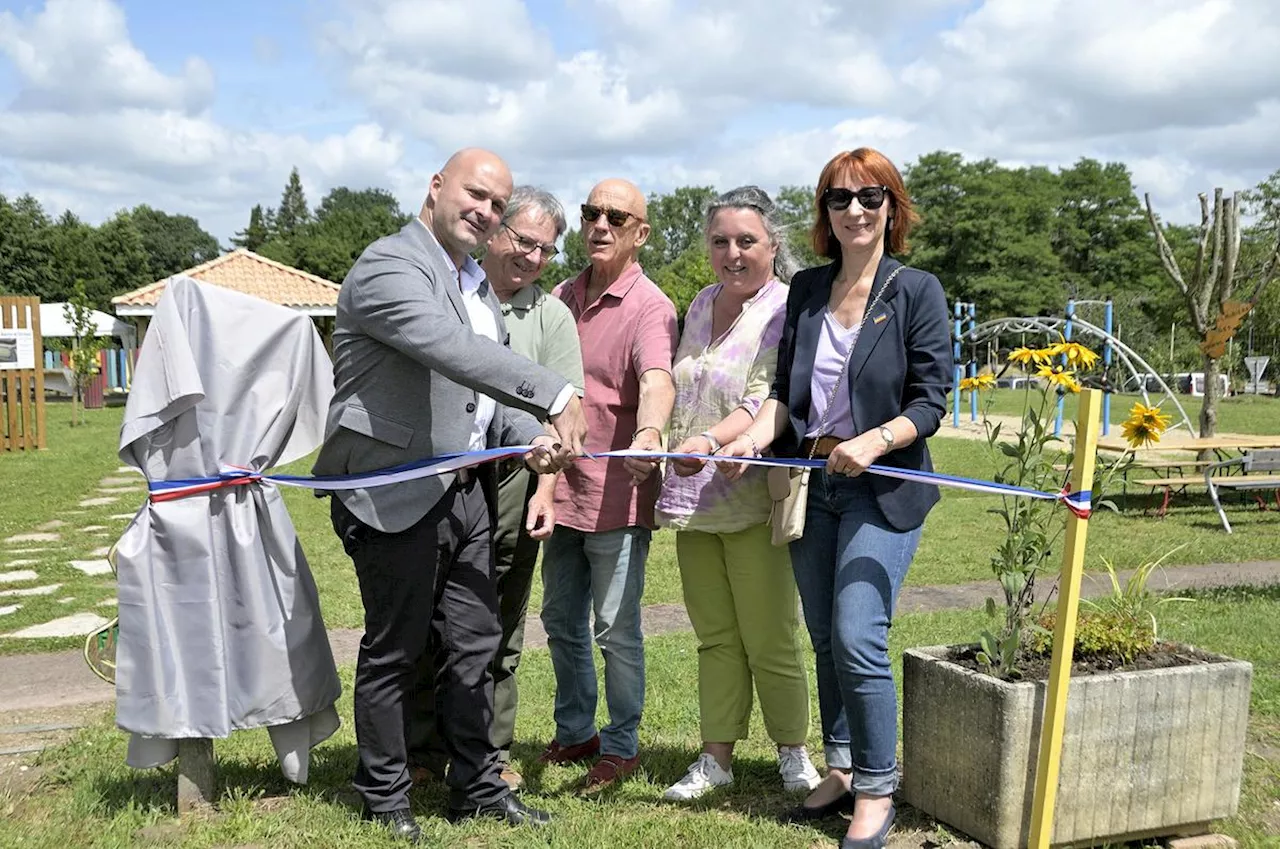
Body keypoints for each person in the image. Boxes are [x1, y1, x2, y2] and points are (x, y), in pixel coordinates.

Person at [313, 148, 588, 842]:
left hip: (467, 491)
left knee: (475, 645)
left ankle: (477, 788)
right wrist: (554, 392)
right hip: (394, 491)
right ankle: (384, 795)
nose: (486, 211)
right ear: (435, 186)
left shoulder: (472, 282)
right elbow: (449, 350)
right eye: (476, 194)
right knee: (397, 648)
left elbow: (484, 392)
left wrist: (530, 434)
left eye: (498, 204)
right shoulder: (389, 267)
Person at [717, 148, 951, 849]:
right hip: (811, 484)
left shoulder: (917, 290)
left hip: (883, 486)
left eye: (869, 196)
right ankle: (844, 764)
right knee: (825, 635)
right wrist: (752, 440)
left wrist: (877, 439)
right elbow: (787, 400)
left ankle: (879, 787)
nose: (854, 209)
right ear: (824, 212)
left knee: (857, 632)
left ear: (892, 206)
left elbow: (932, 401)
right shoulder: (809, 290)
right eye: (838, 198)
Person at [647, 186, 821, 801]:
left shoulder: (785, 309)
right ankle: (715, 757)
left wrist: (713, 441)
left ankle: (794, 752)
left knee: (770, 635)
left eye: (747, 240)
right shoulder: (699, 303)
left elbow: (763, 394)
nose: (733, 252)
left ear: (773, 244)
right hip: (693, 503)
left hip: (751, 501)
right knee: (716, 636)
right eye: (720, 241)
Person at [409, 187, 585, 791]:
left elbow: (565, 411)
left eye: (547, 250)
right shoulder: (450, 292)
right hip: (444, 472)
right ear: (495, 234)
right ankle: (424, 749)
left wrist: (544, 489)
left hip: (515, 476)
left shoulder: (552, 316)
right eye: (524, 241)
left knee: (499, 620)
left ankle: (490, 749)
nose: (533, 257)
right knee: (429, 615)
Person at [537, 178, 679, 794]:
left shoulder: (651, 305)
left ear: (640, 233)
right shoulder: (562, 296)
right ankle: (576, 731)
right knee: (560, 620)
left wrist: (649, 432)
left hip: (617, 495)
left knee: (615, 630)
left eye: (615, 216)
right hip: (556, 490)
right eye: (591, 212)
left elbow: (657, 376)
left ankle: (621, 745)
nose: (599, 224)